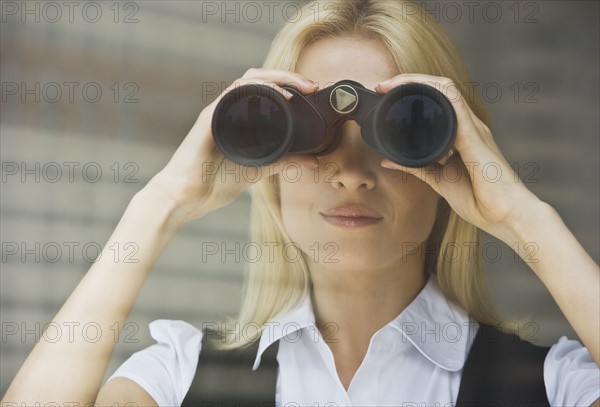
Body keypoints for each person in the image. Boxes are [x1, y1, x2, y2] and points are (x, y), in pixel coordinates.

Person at [3, 0, 599, 405]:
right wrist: (161, 202)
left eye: (401, 132)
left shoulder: (549, 385)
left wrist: (522, 215)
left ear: (456, 153)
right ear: (271, 164)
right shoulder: (178, 377)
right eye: (312, 134)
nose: (351, 174)